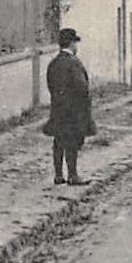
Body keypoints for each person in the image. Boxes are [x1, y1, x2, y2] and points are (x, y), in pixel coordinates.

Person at [43, 28, 96, 186]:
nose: (76, 46)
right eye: (75, 43)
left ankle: (58, 175)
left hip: (58, 108)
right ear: (72, 44)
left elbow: (50, 85)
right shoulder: (74, 63)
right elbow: (82, 88)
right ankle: (73, 176)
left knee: (58, 141)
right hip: (73, 110)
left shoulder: (54, 63)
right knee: (72, 142)